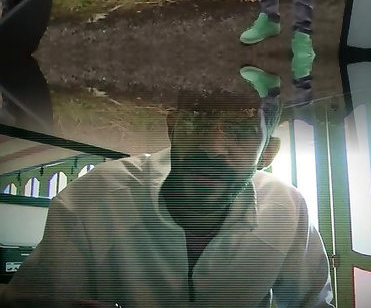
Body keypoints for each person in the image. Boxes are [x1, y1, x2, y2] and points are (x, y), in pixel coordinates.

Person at [1, 104, 334, 308]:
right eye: (198, 122)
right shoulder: (93, 200)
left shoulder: (288, 210)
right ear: (173, 127)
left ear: (267, 153)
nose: (213, 146)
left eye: (242, 131)